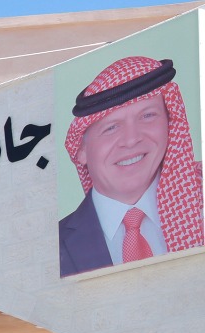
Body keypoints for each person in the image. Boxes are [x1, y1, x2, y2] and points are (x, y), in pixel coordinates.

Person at [60, 56, 204, 277]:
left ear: (170, 123)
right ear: (81, 150)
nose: (131, 139)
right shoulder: (50, 247)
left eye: (147, 116)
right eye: (111, 128)